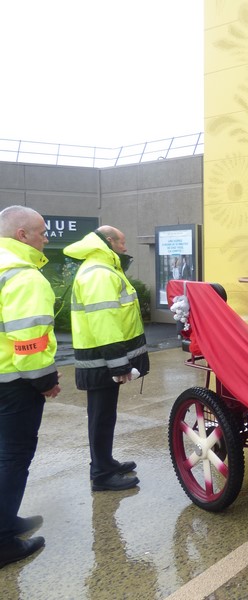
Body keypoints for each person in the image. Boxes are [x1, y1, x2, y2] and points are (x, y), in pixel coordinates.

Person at [64, 226, 150, 491]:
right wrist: (118, 363)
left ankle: (105, 462)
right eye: (122, 242)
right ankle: (101, 474)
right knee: (101, 416)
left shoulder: (101, 268)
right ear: (109, 241)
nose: (125, 247)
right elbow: (105, 322)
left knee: (103, 415)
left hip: (100, 359)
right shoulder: (99, 273)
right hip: (102, 360)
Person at [0, 206, 60, 568]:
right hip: (15, 383)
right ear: (22, 234)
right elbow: (30, 342)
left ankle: (6, 521)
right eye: (42, 232)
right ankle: (3, 541)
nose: (46, 239)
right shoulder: (24, 276)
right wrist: (45, 382)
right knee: (13, 457)